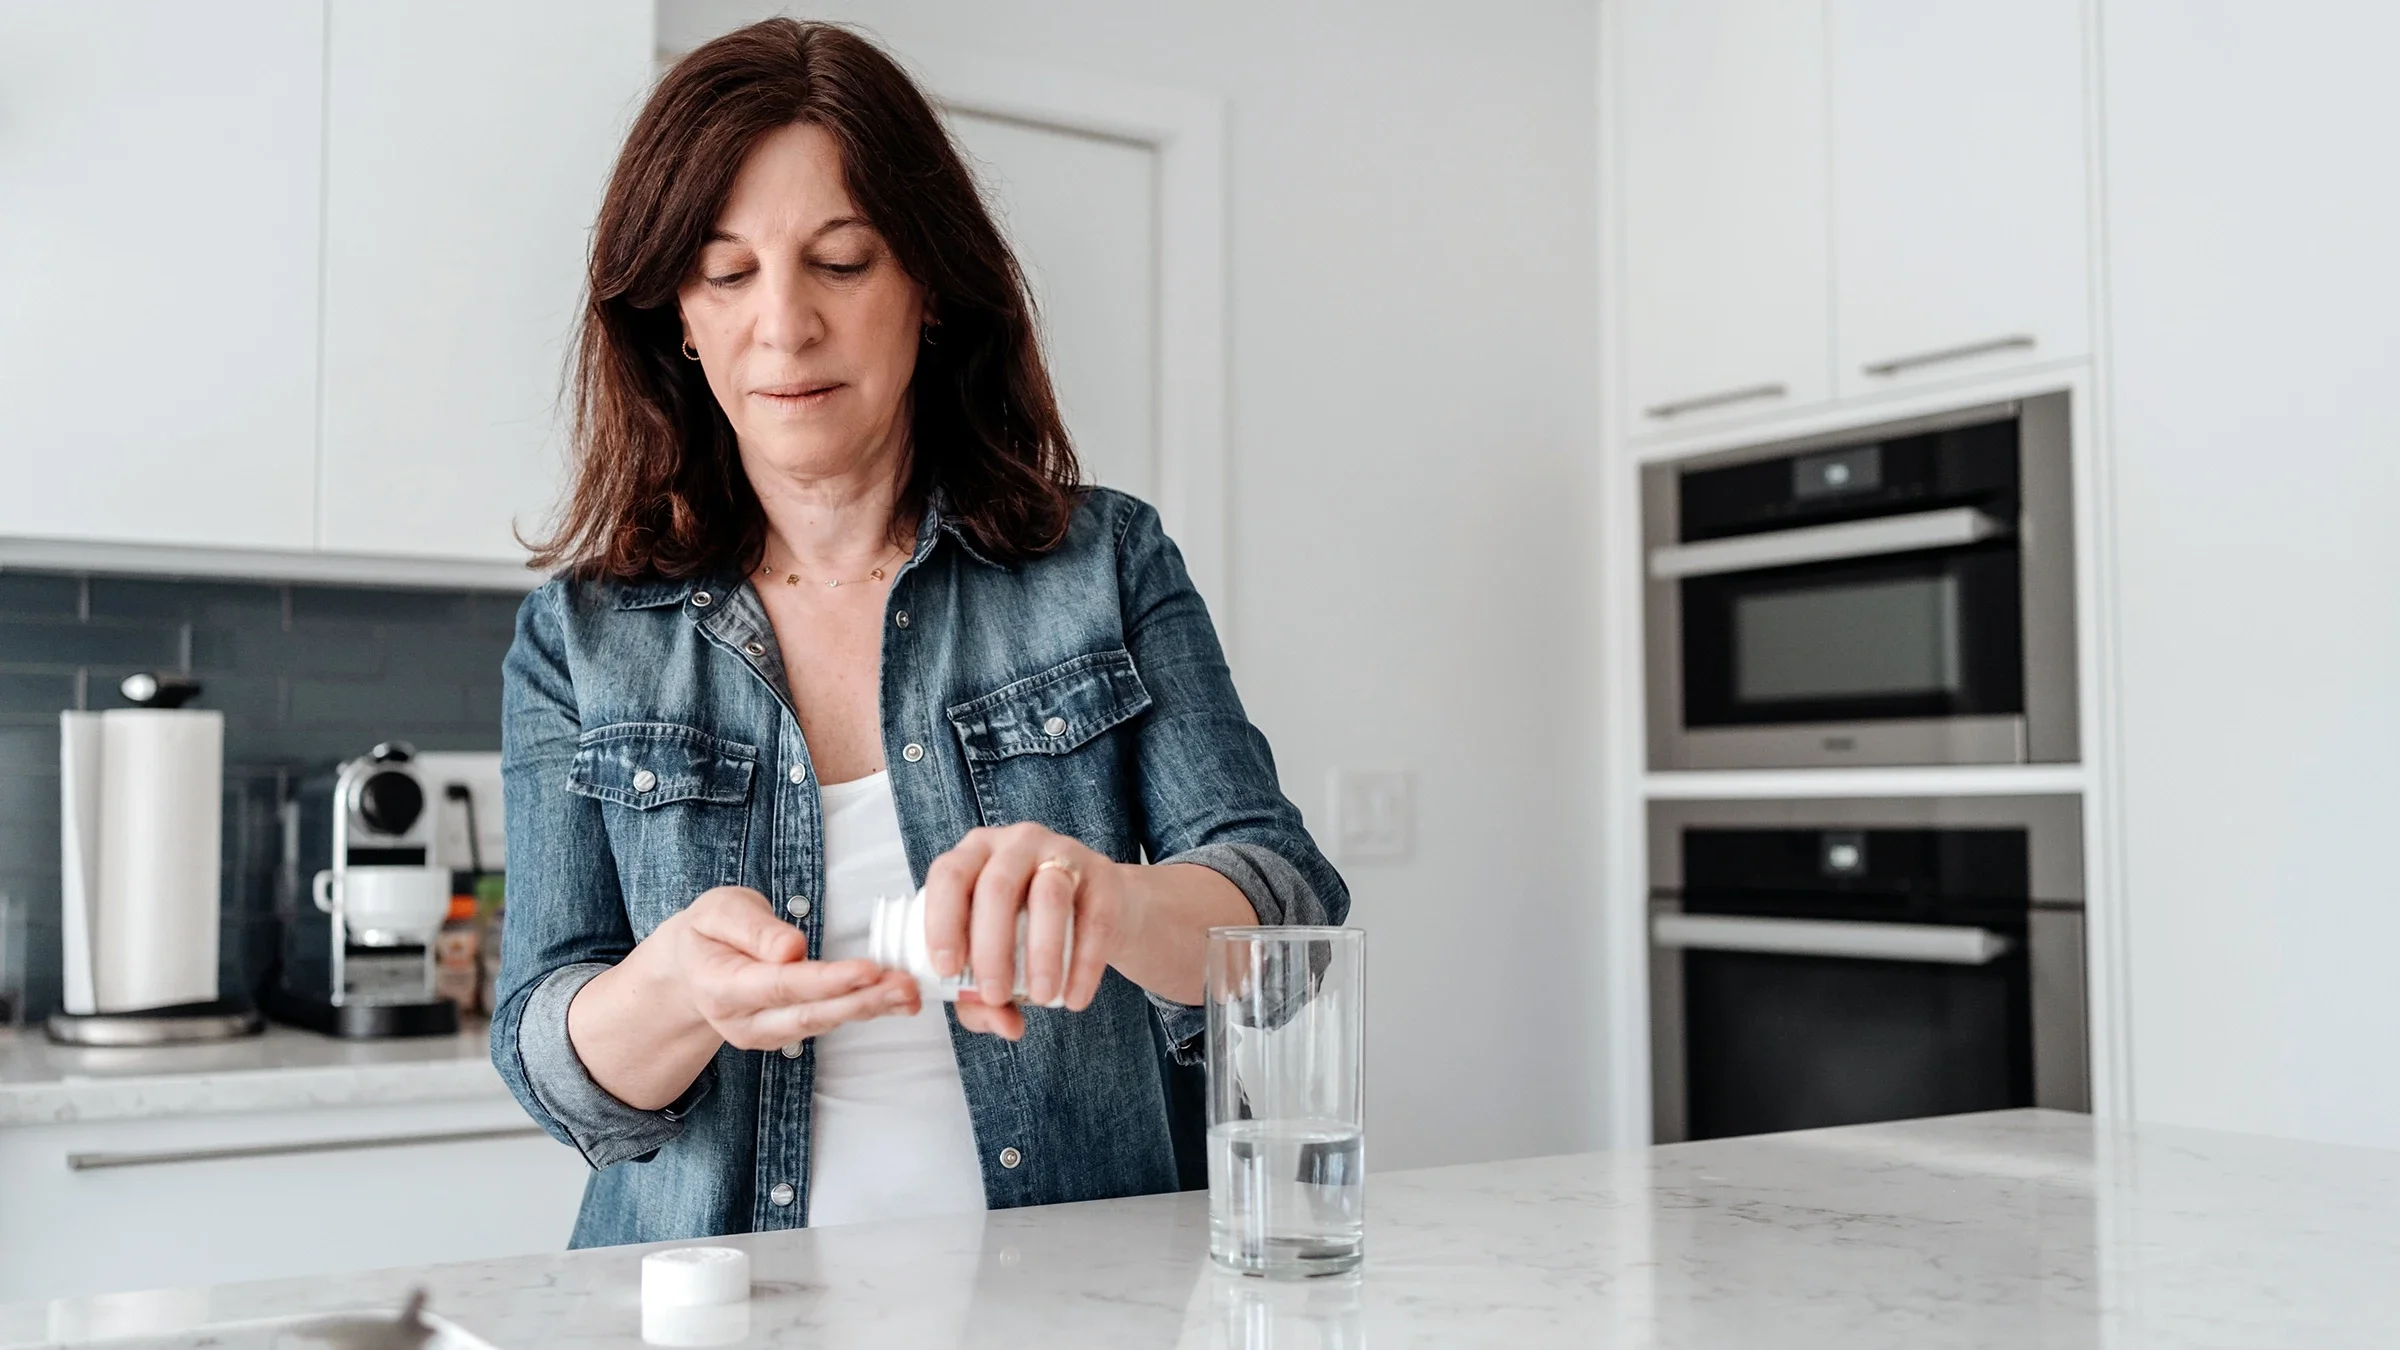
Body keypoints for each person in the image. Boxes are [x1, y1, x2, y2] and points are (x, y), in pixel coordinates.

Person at [490, 18, 1347, 1247]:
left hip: (1081, 1304)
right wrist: (672, 991)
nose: (782, 326)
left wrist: (1112, 904)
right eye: (727, 274)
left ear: (929, 288)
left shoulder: (1102, 563)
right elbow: (547, 1055)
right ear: (678, 316)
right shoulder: (580, 637)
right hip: (721, 1312)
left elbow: (1291, 931)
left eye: (840, 260)